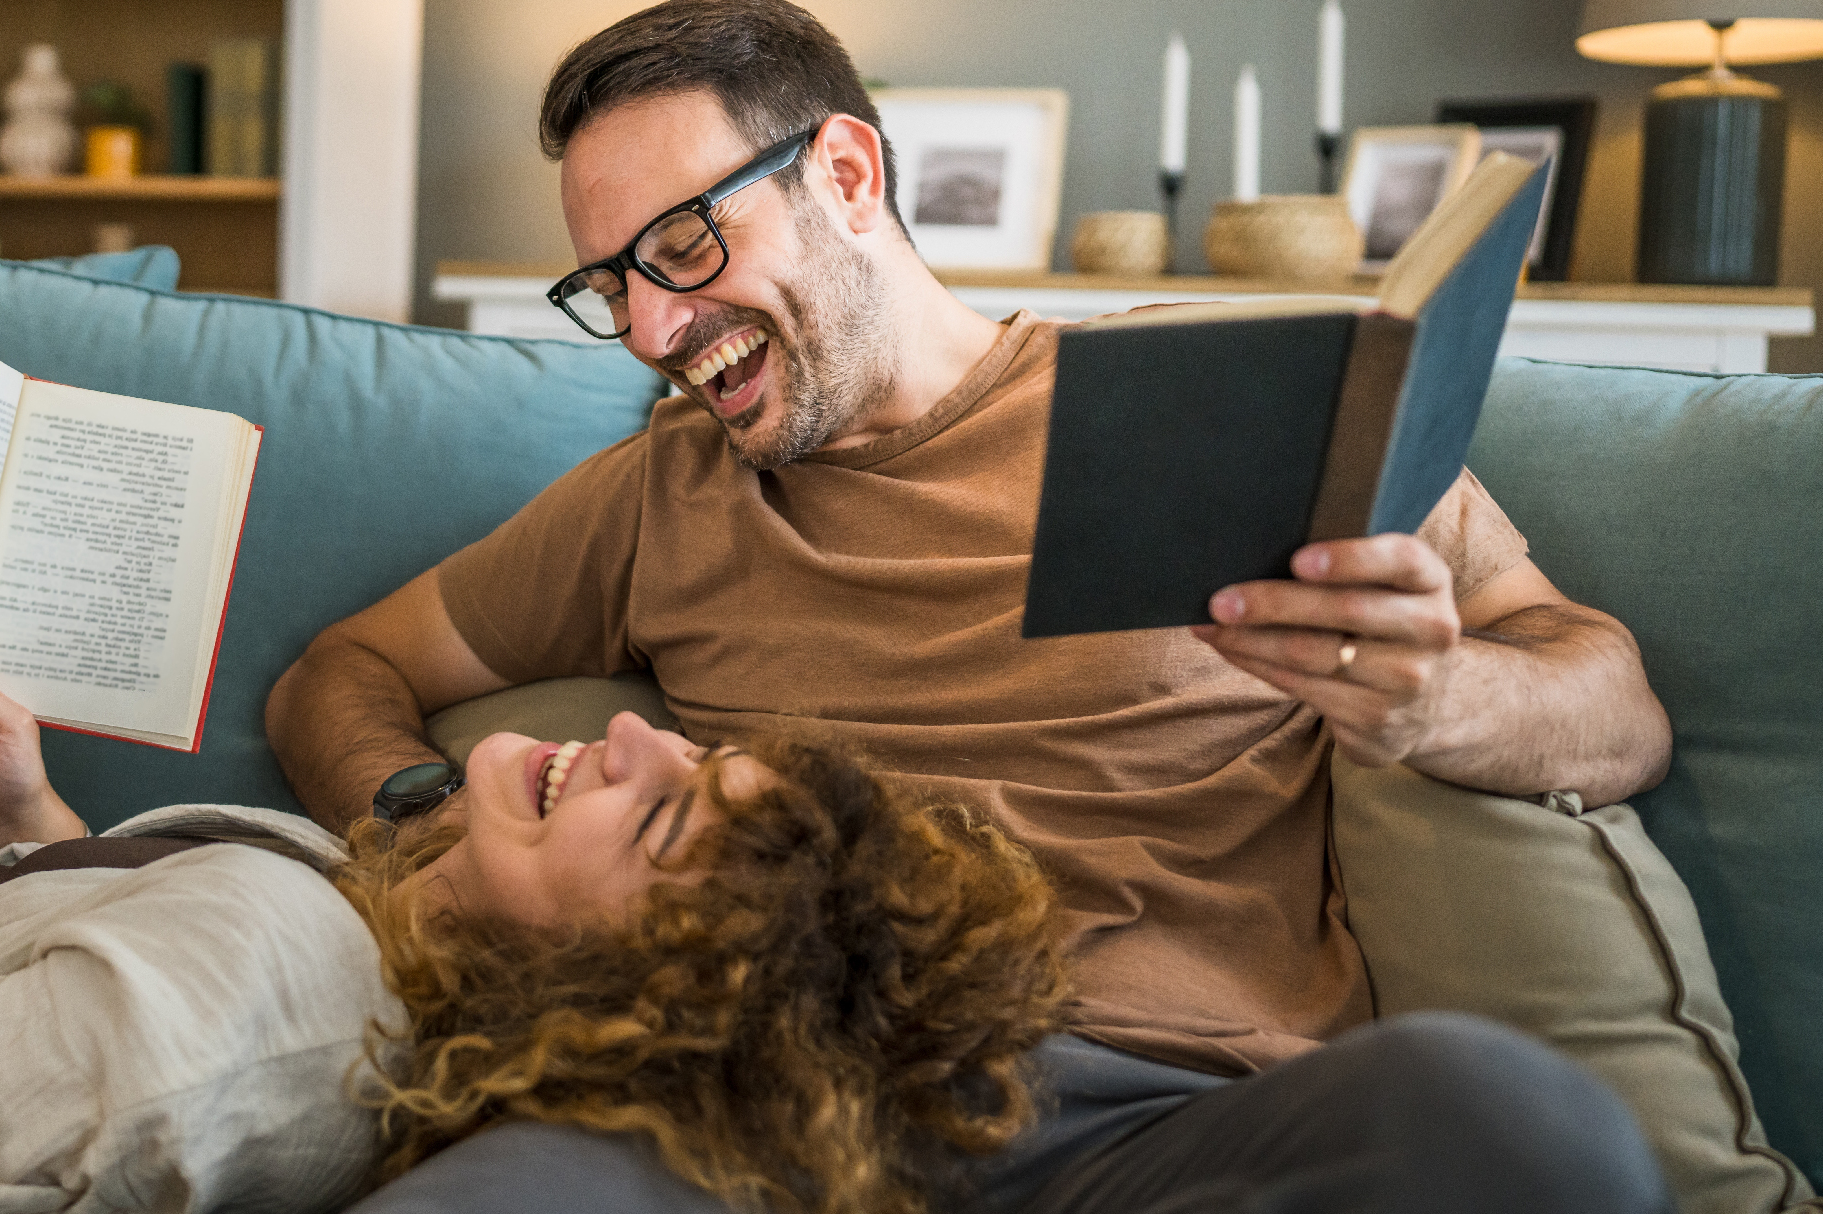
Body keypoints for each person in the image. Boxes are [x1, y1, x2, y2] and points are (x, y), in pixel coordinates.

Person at [265, 2, 1681, 1210]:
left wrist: (1440, 698)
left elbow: (1610, 707)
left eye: (685, 244)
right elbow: (342, 666)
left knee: (1504, 1118)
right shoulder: (659, 493)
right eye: (611, 282)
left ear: (845, 171)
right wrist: (423, 821)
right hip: (761, 1116)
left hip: (1157, 1111)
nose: (650, 328)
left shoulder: (1219, 406)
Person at [0, 303, 1067, 1214]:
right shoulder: (371, 968)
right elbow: (48, 987)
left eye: (656, 824)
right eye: (688, 758)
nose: (625, 732)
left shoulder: (255, 1023)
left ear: (627, 994)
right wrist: (24, 817)